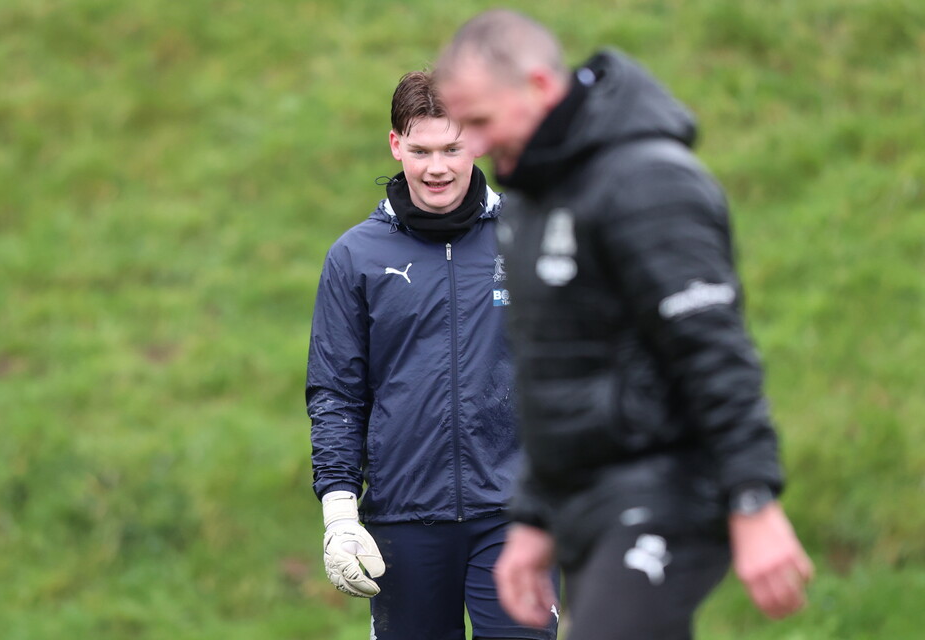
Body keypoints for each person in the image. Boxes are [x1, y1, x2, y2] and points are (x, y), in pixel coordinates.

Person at [435, 10, 814, 639]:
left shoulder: (649, 182)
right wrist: (533, 517)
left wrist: (753, 501)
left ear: (539, 86)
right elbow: (545, 373)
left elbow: (714, 352)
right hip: (587, 503)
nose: (471, 146)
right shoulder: (529, 201)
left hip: (665, 487)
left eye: (479, 121)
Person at [306, 70, 559, 640]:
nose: (437, 167)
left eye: (453, 147)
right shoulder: (355, 257)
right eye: (420, 150)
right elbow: (336, 393)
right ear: (396, 145)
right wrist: (340, 512)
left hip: (517, 517)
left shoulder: (527, 235)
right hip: (403, 518)